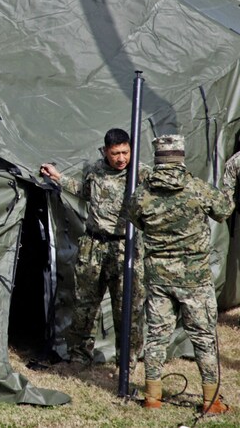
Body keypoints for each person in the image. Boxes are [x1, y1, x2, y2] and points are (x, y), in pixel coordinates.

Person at [127, 134, 239, 414]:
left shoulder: (141, 193)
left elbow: (133, 218)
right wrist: (229, 178)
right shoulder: (197, 189)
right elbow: (224, 210)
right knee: (203, 338)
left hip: (158, 276)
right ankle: (211, 401)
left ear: (157, 158)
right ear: (181, 156)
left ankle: (152, 397)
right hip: (195, 279)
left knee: (156, 337)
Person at [40, 128, 149, 366]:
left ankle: (127, 360)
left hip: (125, 246)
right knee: (84, 304)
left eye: (125, 152)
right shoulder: (96, 170)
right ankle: (80, 356)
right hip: (94, 246)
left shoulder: (140, 174)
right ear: (105, 151)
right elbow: (86, 193)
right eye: (115, 153)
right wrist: (58, 177)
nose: (121, 158)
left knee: (128, 306)